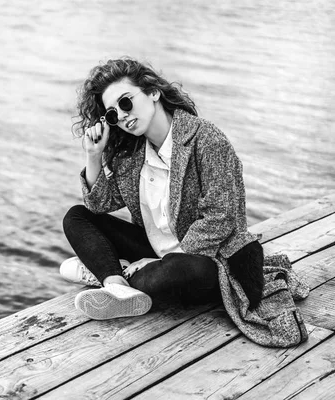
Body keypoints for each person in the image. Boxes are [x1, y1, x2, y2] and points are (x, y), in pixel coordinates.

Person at [61, 58, 264, 320]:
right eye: (113, 114)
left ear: (153, 92)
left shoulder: (205, 140)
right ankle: (116, 282)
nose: (122, 115)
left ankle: (111, 275)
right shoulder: (132, 154)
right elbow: (98, 206)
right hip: (155, 252)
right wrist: (93, 155)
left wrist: (162, 262)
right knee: (76, 217)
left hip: (204, 261)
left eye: (126, 102)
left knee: (174, 273)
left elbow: (221, 218)